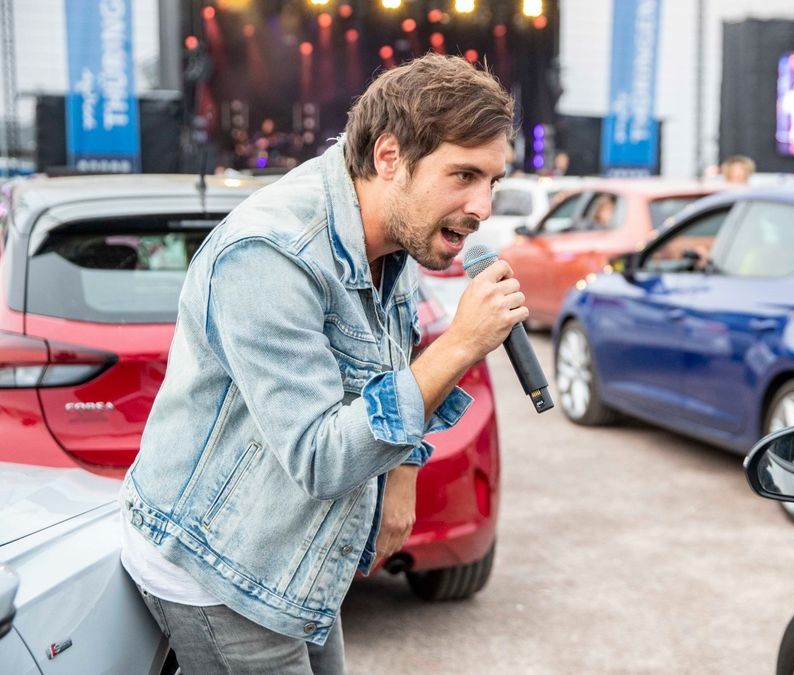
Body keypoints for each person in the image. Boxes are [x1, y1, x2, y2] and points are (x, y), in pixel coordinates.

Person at [119, 54, 522, 673]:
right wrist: (462, 343)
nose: (482, 206)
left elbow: (393, 359)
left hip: (294, 557)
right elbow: (318, 455)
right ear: (389, 157)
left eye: (492, 181)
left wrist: (406, 474)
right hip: (220, 567)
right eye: (464, 175)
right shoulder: (272, 255)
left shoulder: (391, 230)